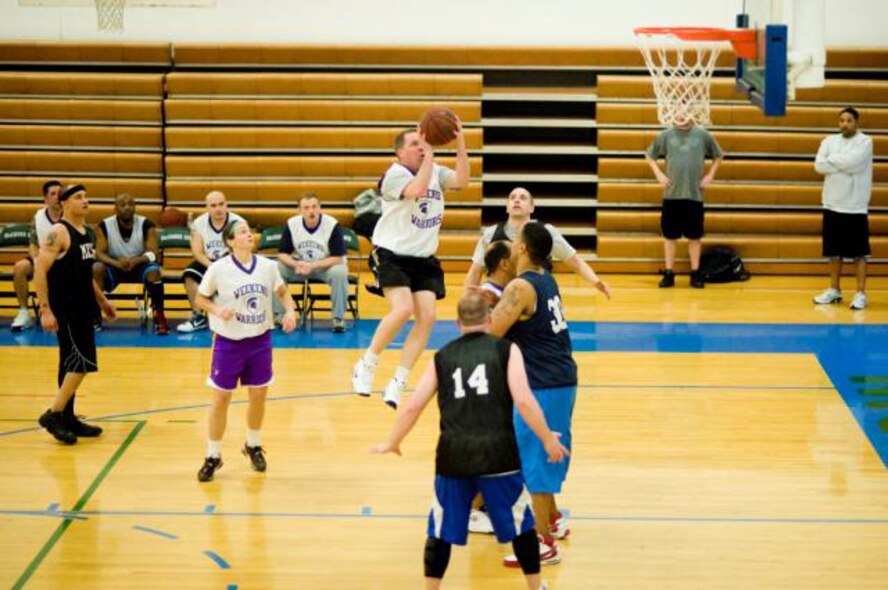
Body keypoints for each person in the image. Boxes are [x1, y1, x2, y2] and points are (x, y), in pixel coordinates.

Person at [372, 292, 568, 590]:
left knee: (439, 530)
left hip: (454, 456)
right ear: (489, 319)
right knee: (521, 526)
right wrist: (546, 438)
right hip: (498, 454)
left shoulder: (443, 356)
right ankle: (535, 586)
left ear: (457, 323)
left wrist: (392, 441)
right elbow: (525, 401)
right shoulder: (507, 349)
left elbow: (413, 405)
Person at [352, 123, 470, 408]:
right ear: (399, 152)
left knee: (427, 317)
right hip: (392, 254)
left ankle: (398, 381)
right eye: (415, 144)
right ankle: (367, 363)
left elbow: (463, 181)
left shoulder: (436, 171)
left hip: (423, 258)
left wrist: (461, 142)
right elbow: (417, 190)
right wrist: (429, 154)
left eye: (423, 143)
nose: (421, 147)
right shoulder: (393, 176)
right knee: (403, 308)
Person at [488, 222, 578, 566]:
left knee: (537, 458)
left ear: (523, 249)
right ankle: (552, 519)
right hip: (561, 379)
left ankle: (541, 542)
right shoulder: (546, 278)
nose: (511, 246)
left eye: (515, 241)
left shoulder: (520, 287)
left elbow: (493, 332)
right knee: (546, 452)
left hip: (544, 383)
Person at [195, 219, 298, 482]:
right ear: (230, 241)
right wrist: (217, 310)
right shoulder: (218, 269)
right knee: (221, 399)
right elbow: (200, 298)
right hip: (228, 342)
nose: (248, 235)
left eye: (249, 231)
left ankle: (252, 445)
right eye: (242, 232)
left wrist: (290, 311)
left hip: (260, 341)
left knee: (258, 396)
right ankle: (213, 455)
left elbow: (283, 292)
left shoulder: (268, 266)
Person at [34, 184, 117, 445]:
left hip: (83, 306)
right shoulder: (58, 232)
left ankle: (67, 418)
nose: (85, 201)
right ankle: (53, 415)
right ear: (64, 203)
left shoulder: (86, 232)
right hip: (66, 308)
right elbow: (39, 270)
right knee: (80, 363)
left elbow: (85, 273)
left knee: (69, 363)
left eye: (86, 197)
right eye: (79, 197)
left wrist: (103, 301)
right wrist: (45, 309)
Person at [464, 186, 611, 299]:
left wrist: (596, 282)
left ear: (532, 207)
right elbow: (475, 272)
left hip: (536, 296)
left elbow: (575, 262)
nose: (516, 200)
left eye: (523, 198)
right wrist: (467, 303)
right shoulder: (491, 233)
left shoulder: (546, 232)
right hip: (501, 298)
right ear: (507, 207)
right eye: (512, 197)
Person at [644, 107, 723, 288]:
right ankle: (669, 273)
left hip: (694, 195)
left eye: (684, 111)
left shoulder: (702, 135)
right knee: (670, 237)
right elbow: (649, 155)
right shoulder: (666, 135)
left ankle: (695, 273)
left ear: (693, 113)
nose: (680, 115)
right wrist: (658, 174)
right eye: (677, 111)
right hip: (672, 195)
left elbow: (718, 155)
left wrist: (710, 176)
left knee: (694, 237)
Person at [813, 107, 874, 310]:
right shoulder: (828, 141)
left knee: (859, 254)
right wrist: (841, 164)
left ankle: (860, 293)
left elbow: (854, 162)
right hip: (832, 204)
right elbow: (819, 166)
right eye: (841, 120)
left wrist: (833, 162)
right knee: (833, 252)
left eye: (849, 120)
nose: (844, 124)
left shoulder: (865, 141)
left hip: (855, 206)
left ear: (856, 122)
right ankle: (834, 290)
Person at [91, 193, 169, 334]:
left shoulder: (146, 224)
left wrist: (135, 260)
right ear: (115, 209)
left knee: (154, 272)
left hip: (140, 265)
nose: (127, 207)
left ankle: (159, 316)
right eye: (122, 205)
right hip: (115, 266)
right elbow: (99, 253)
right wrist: (116, 262)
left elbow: (153, 253)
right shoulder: (104, 225)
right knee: (96, 268)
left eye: (130, 204)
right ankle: (94, 317)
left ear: (135, 207)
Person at [276, 192, 349, 333]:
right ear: (300, 210)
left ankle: (338, 319)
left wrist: (312, 266)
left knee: (340, 271)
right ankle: (280, 316)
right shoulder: (292, 224)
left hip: (325, 267)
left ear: (320, 208)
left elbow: (338, 258)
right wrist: (295, 264)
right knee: (277, 268)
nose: (311, 211)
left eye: (314, 207)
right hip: (300, 267)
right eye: (306, 208)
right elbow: (282, 254)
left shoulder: (332, 224)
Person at [177, 191, 246, 333]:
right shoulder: (198, 224)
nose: (218, 209)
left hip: (232, 261)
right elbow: (197, 252)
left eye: (221, 204)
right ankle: (198, 316)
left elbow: (243, 249)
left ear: (226, 204)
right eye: (213, 206)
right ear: (207, 207)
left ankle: (238, 315)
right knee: (190, 274)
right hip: (208, 261)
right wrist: (213, 267)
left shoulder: (238, 222)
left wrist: (223, 266)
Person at [10, 180, 63, 331]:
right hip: (43, 259)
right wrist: (36, 259)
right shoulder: (38, 217)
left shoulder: (70, 214)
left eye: (59, 193)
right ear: (46, 198)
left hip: (63, 259)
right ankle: (24, 312)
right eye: (53, 194)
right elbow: (33, 244)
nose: (57, 197)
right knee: (20, 267)